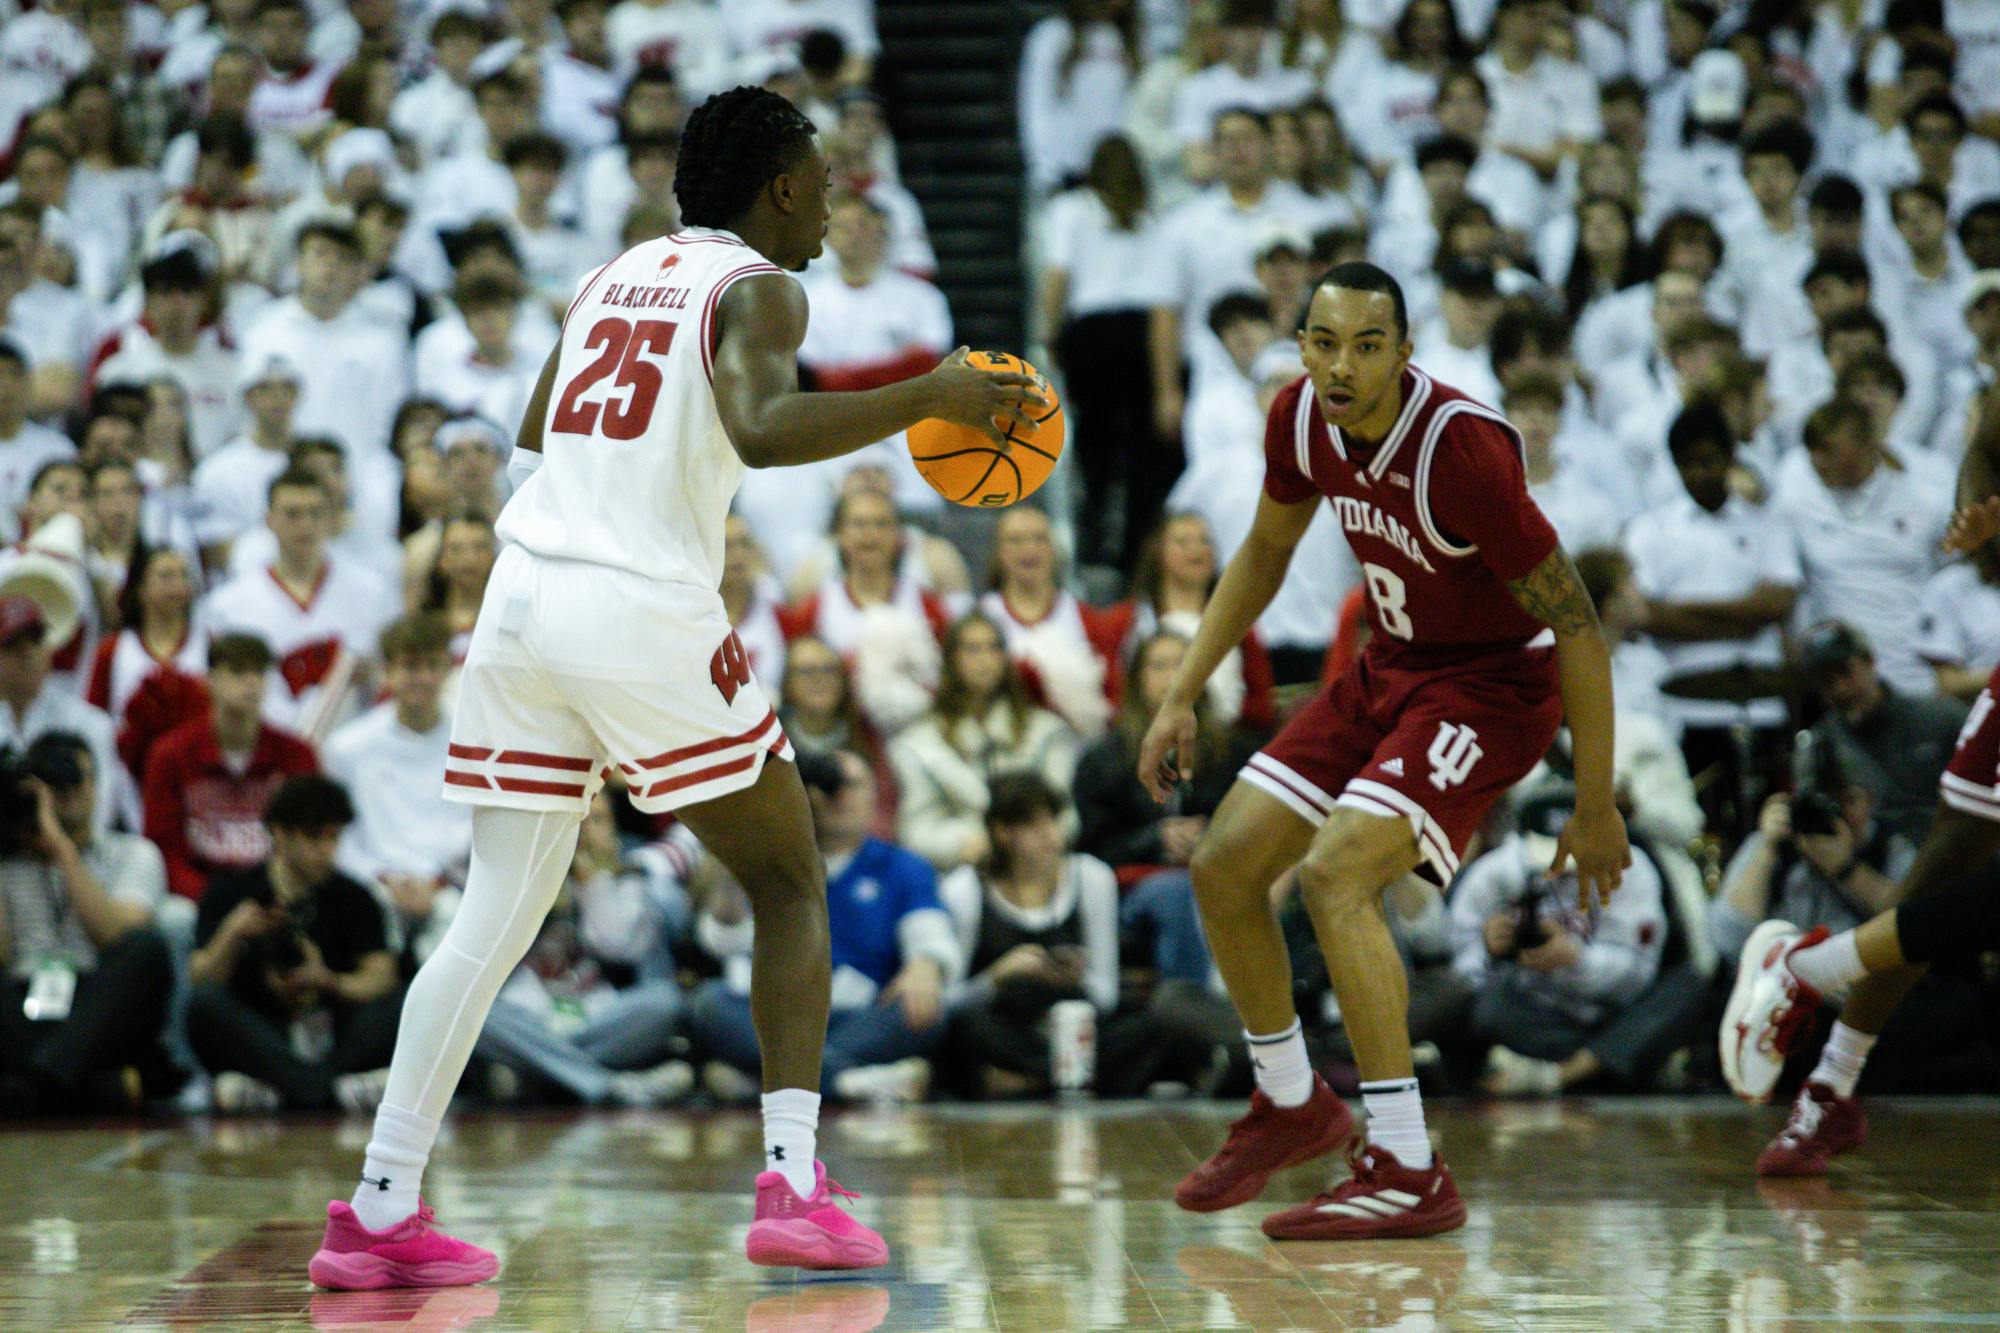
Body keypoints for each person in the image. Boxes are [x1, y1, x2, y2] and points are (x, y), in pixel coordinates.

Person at [311, 86, 1043, 1287]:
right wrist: (925, 396)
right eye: (822, 179)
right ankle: (794, 1183)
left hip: (522, 592)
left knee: (489, 917)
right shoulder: (762, 285)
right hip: (636, 604)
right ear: (783, 189)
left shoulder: (616, 272)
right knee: (789, 876)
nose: (833, 201)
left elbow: (535, 435)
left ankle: (380, 1206)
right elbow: (756, 429)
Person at [1138, 261, 1628, 1240]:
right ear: (1301, 348)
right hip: (1389, 667)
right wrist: (1182, 689)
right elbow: (1264, 553)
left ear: (1404, 354)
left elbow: (1575, 622)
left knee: (1333, 876)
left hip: (1492, 688)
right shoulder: (1297, 419)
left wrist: (1593, 800)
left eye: (1366, 345)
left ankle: (1405, 1163)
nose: (1340, 365)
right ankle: (1289, 1102)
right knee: (1226, 864)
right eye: (1322, 343)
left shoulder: (1464, 451)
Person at [687, 749, 961, 1103]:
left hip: (860, 1015)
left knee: (927, 1012)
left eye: (853, 785)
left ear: (875, 797)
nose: (840, 795)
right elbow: (721, 942)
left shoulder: (902, 867)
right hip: (778, 1016)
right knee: (709, 1004)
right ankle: (849, 1082)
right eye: (829, 784)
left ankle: (765, 1081)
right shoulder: (772, 859)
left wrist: (925, 967)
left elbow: (930, 939)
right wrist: (741, 841)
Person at [187, 775, 404, 1113]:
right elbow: (200, 979)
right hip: (265, 1031)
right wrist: (231, 935)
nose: (326, 851)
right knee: (203, 1006)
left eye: (334, 838)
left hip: (336, 1031)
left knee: (406, 998)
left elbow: (382, 976)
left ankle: (286, 1091)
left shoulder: (354, 896)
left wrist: (329, 980)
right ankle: (333, 1092)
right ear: (280, 833)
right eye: (314, 838)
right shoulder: (232, 891)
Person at [473, 791, 695, 1108]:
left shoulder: (629, 875)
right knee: (474, 1014)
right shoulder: (517, 871)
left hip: (599, 1015)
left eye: (598, 820)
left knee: (667, 1003)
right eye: (575, 819)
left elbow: (619, 946)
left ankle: (537, 1070)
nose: (585, 830)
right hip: (529, 1012)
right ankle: (609, 1086)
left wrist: (595, 882)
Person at [0, 732, 171, 1116]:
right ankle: (82, 1087)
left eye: (77, 778)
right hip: (25, 1003)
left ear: (96, 786)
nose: (69, 791)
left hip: (96, 1004)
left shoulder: (132, 853)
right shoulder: (7, 861)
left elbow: (113, 935)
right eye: (54, 782)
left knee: (147, 949)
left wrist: (62, 850)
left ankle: (31, 1087)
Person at [889, 613, 1078, 875]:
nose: (984, 659)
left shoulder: (1048, 732)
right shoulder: (917, 743)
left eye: (994, 648)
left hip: (1039, 865)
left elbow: (1065, 816)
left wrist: (1019, 840)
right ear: (951, 659)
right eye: (972, 649)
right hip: (962, 868)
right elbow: (917, 831)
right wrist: (971, 842)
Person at [142, 633, 319, 902]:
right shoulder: (170, 754)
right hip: (196, 898)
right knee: (174, 920)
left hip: (280, 895)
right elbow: (164, 850)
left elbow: (311, 841)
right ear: (209, 680)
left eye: (259, 672)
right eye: (238, 671)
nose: (251, 682)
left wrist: (277, 894)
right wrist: (213, 899)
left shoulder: (298, 756)